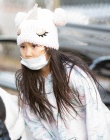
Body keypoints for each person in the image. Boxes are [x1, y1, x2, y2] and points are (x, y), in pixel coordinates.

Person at [14, 4, 110, 140]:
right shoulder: (26, 82)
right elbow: (33, 121)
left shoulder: (73, 74)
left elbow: (96, 116)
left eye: (34, 45)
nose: (28, 53)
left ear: (49, 46)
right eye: (23, 47)